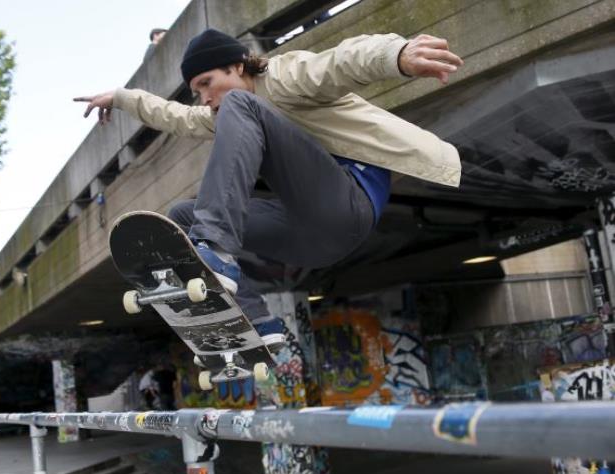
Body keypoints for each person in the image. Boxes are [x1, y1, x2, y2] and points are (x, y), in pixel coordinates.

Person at [76, 29, 463, 350]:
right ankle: (256, 322)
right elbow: (176, 117)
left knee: (239, 108)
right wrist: (124, 98)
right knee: (181, 217)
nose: (205, 99)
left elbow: (341, 62)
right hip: (309, 241)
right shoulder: (224, 111)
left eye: (207, 84)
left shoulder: (282, 77)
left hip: (348, 204)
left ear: (237, 65)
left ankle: (216, 246)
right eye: (197, 91)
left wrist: (396, 55)